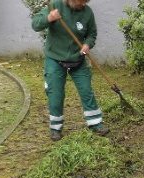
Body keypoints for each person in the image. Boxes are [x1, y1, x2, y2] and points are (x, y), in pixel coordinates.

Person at [32, 0, 108, 141]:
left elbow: (92, 34)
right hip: (55, 58)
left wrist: (87, 44)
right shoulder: (55, 5)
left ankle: (96, 124)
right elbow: (35, 24)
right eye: (80, 2)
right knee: (55, 93)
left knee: (86, 90)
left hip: (78, 59)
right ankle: (56, 128)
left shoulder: (87, 12)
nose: (82, 5)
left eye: (85, 2)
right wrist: (49, 18)